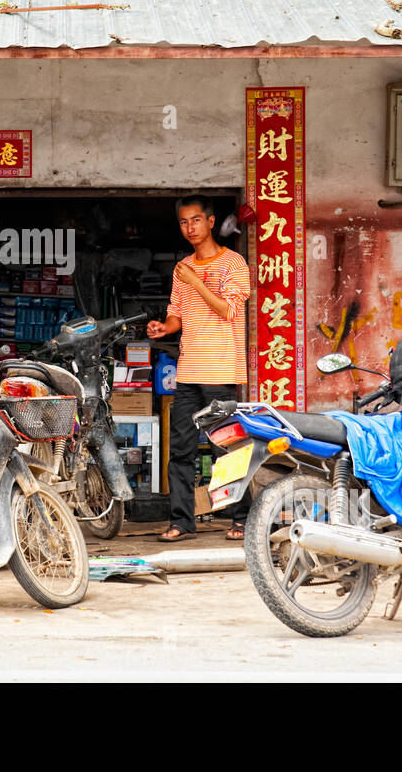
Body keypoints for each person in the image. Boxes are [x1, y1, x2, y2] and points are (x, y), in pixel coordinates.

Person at [147, 195, 252, 543]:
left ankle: (243, 518)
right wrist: (165, 327)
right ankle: (181, 521)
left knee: (228, 448)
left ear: (210, 222)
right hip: (189, 371)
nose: (189, 228)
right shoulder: (183, 268)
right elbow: (177, 313)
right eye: (183, 222)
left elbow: (229, 311)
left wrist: (196, 281)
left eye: (195, 220)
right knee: (181, 450)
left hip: (220, 371)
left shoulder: (234, 263)